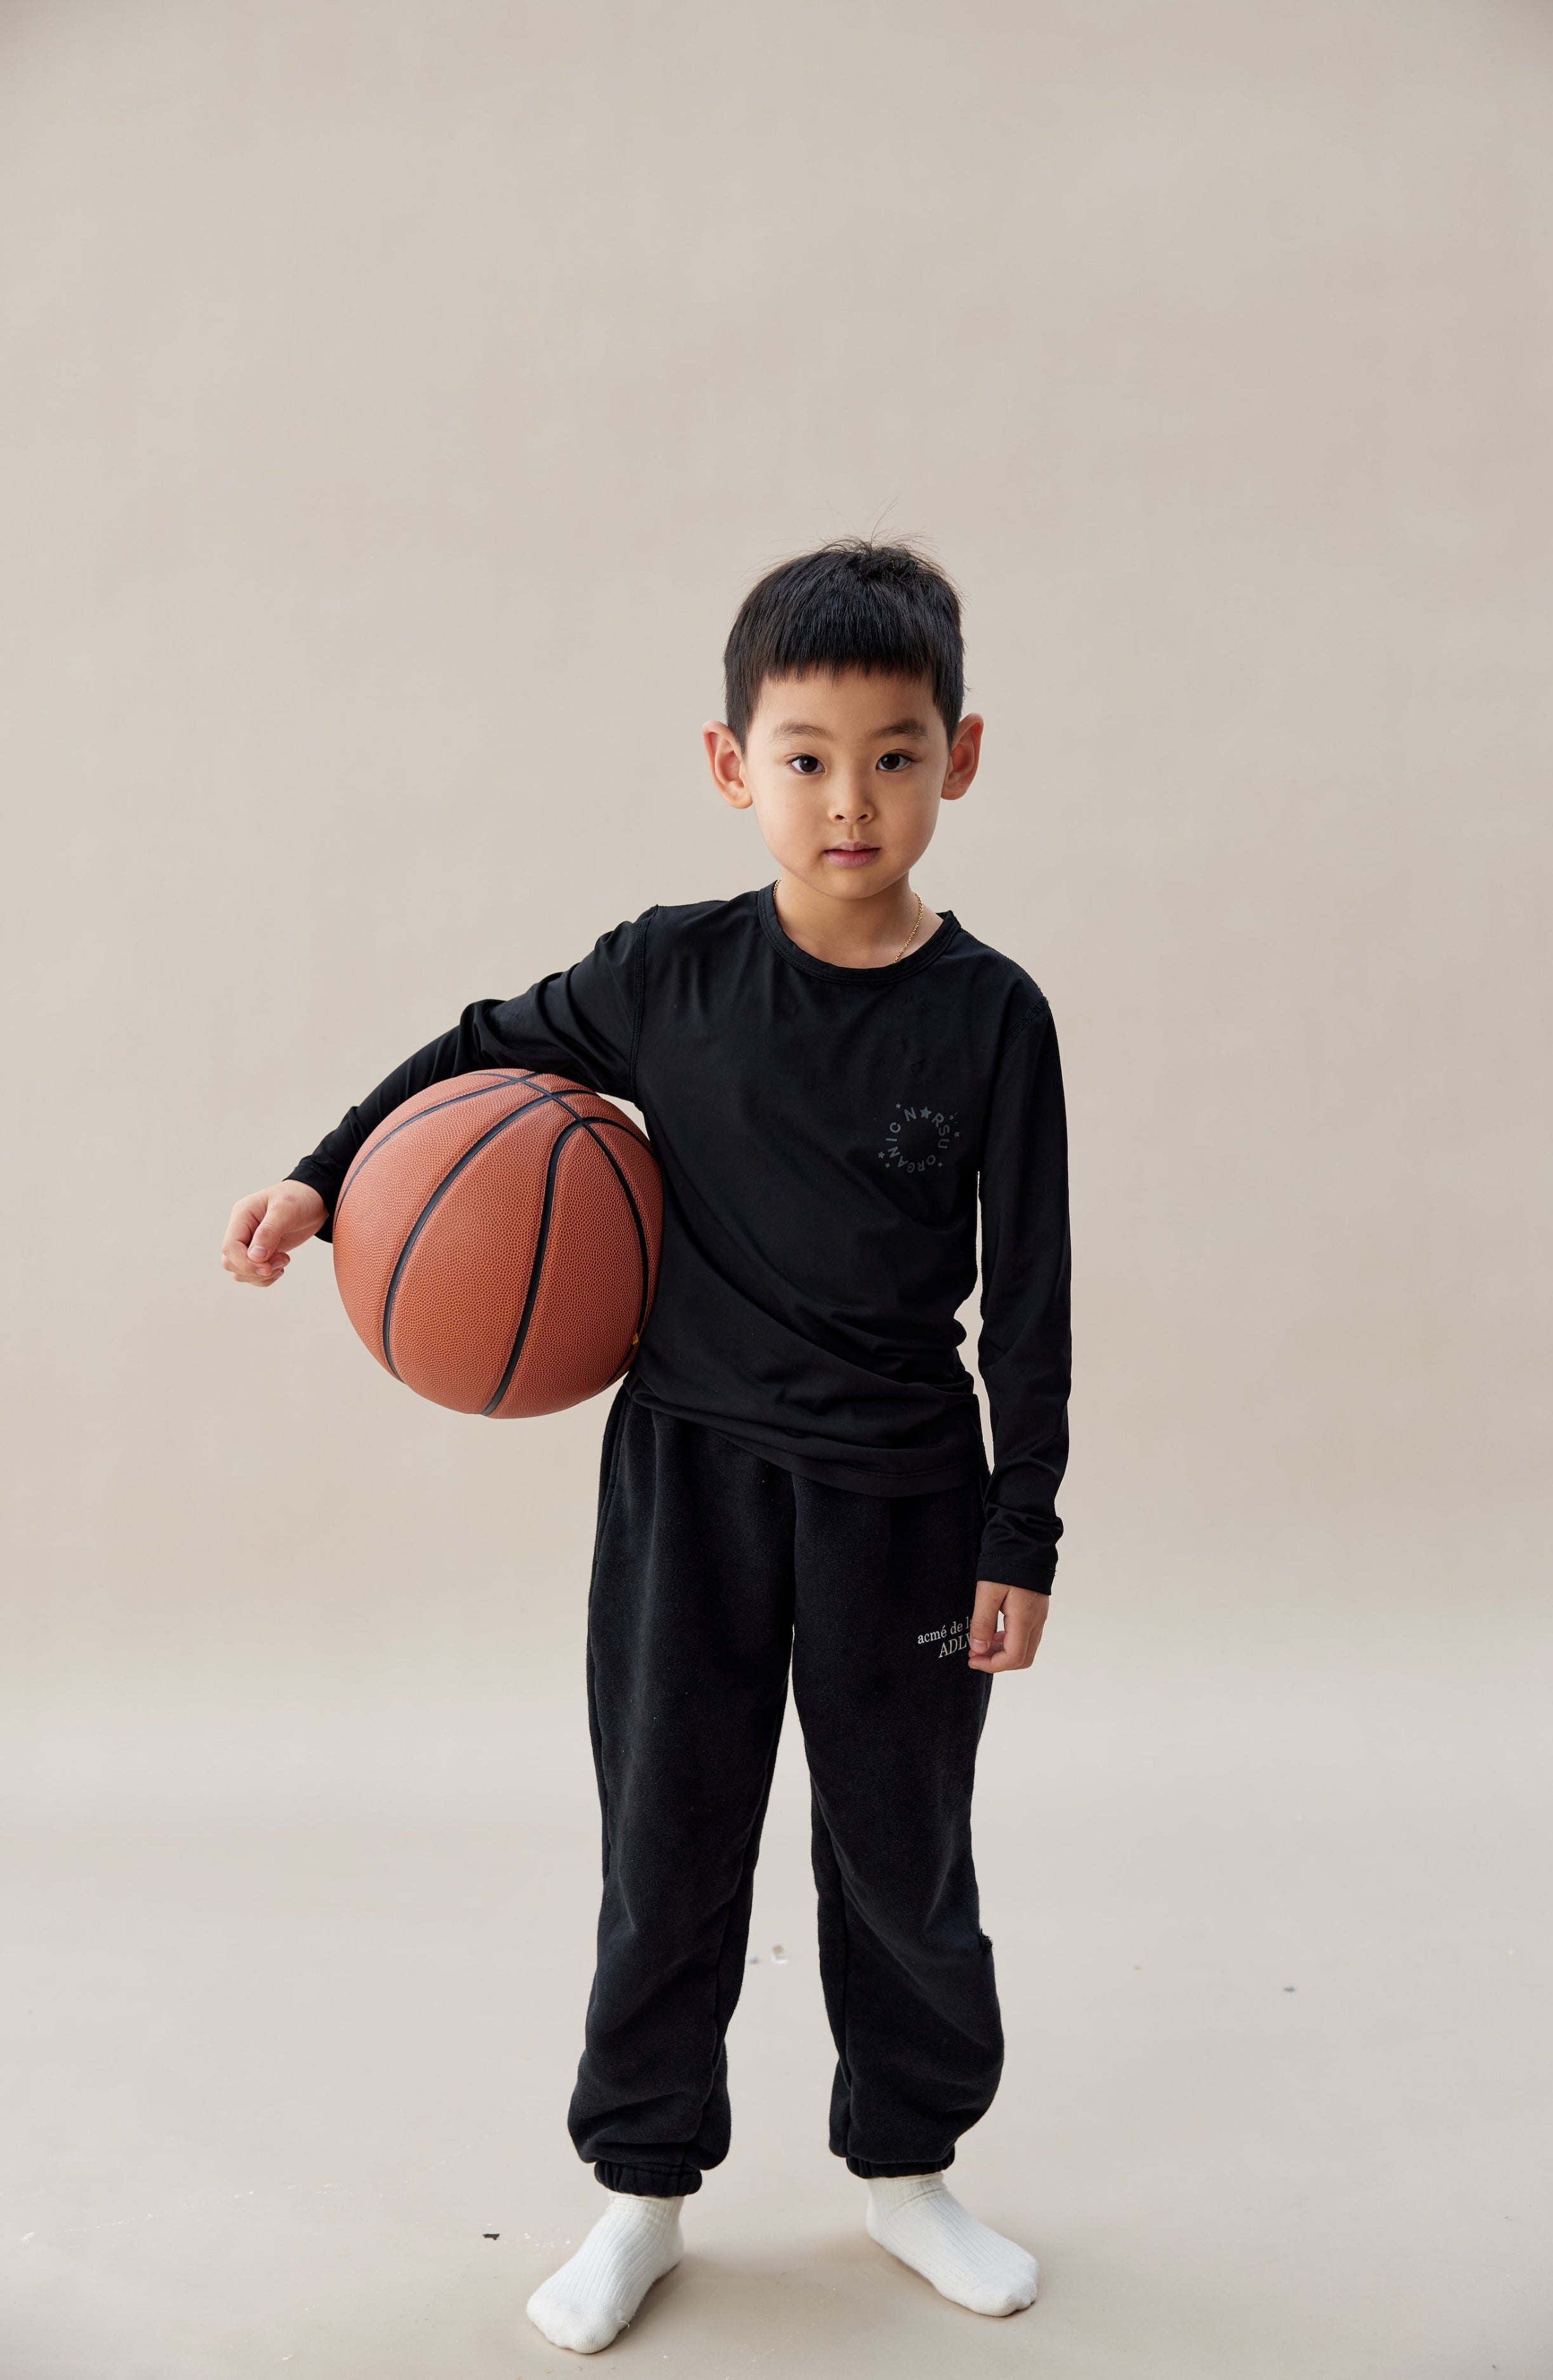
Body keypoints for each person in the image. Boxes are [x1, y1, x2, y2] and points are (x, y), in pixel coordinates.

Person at [221, 540, 1072, 2355]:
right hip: (686, 1483)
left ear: (962, 755)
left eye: (896, 754)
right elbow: (475, 1048)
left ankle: (907, 2164)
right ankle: (641, 2190)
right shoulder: (666, 973)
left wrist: (1023, 1535)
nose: (851, 798)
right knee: (666, 1841)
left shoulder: (993, 1015)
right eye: (807, 755)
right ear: (729, 764)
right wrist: (319, 1171)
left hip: (906, 1503)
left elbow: (1038, 1305)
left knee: (900, 1854)